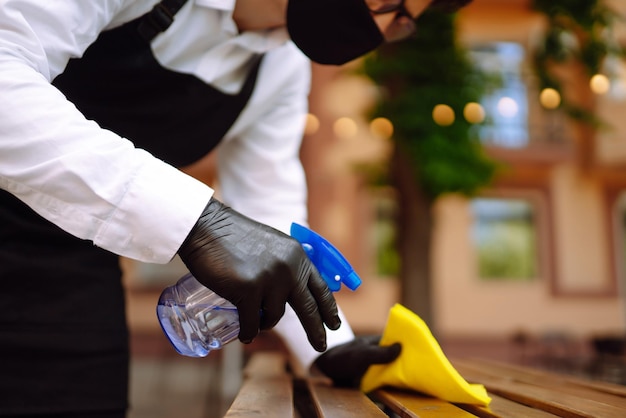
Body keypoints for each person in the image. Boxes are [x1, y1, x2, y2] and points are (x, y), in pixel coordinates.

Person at [0, 0, 472, 416]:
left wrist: (329, 346)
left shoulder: (281, 70)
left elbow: (273, 221)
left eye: (405, 21)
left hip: (74, 275)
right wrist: (197, 222)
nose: (386, 29)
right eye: (390, 1)